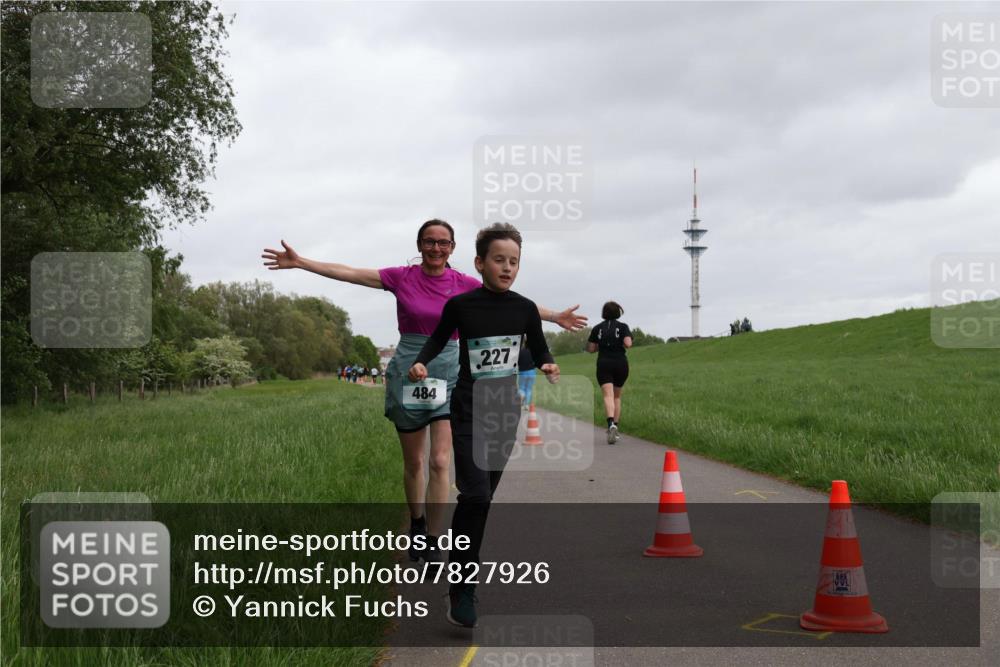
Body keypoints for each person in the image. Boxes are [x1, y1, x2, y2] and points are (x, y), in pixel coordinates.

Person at [262, 221, 585, 564]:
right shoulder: (402, 277)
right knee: (415, 461)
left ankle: (433, 539)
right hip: (413, 369)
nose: (436, 248)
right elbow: (351, 273)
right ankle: (416, 523)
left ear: (453, 248)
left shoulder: (464, 284)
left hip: (452, 373)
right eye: (429, 242)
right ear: (419, 245)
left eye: (443, 243)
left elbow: (511, 304)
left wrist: (554, 317)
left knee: (440, 459)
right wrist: (302, 262)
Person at [409, 222, 558, 629]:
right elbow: (437, 340)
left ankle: (460, 576)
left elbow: (539, 345)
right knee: (474, 494)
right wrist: (421, 361)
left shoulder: (525, 308)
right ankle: (463, 586)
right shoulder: (461, 306)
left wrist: (546, 362)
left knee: (482, 500)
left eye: (514, 262)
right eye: (499, 260)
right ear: (479, 263)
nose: (507, 267)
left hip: (504, 411)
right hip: (469, 408)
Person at [586, 301, 632, 445]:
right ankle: (615, 427)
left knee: (608, 395)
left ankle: (610, 423)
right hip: (620, 363)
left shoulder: (597, 328)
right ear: (618, 312)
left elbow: (591, 349)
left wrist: (602, 345)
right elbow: (628, 344)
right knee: (617, 397)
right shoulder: (623, 327)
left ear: (604, 313)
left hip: (604, 363)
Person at [517, 341, 536, 411]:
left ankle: (522, 398)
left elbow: (517, 362)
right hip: (532, 372)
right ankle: (526, 405)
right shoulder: (534, 352)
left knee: (521, 388)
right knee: (529, 389)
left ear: (525, 344)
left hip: (523, 372)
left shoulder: (520, 352)